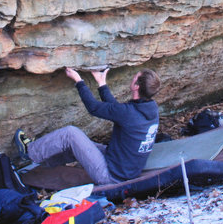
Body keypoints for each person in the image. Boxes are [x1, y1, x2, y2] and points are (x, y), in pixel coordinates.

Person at [14, 67, 160, 185]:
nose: (132, 78)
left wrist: (78, 80)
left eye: (134, 77)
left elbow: (94, 108)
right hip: (124, 169)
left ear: (136, 86)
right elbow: (116, 110)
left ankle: (30, 152)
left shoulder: (130, 113)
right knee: (77, 145)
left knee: (70, 134)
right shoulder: (150, 111)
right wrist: (102, 84)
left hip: (110, 175)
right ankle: (41, 163)